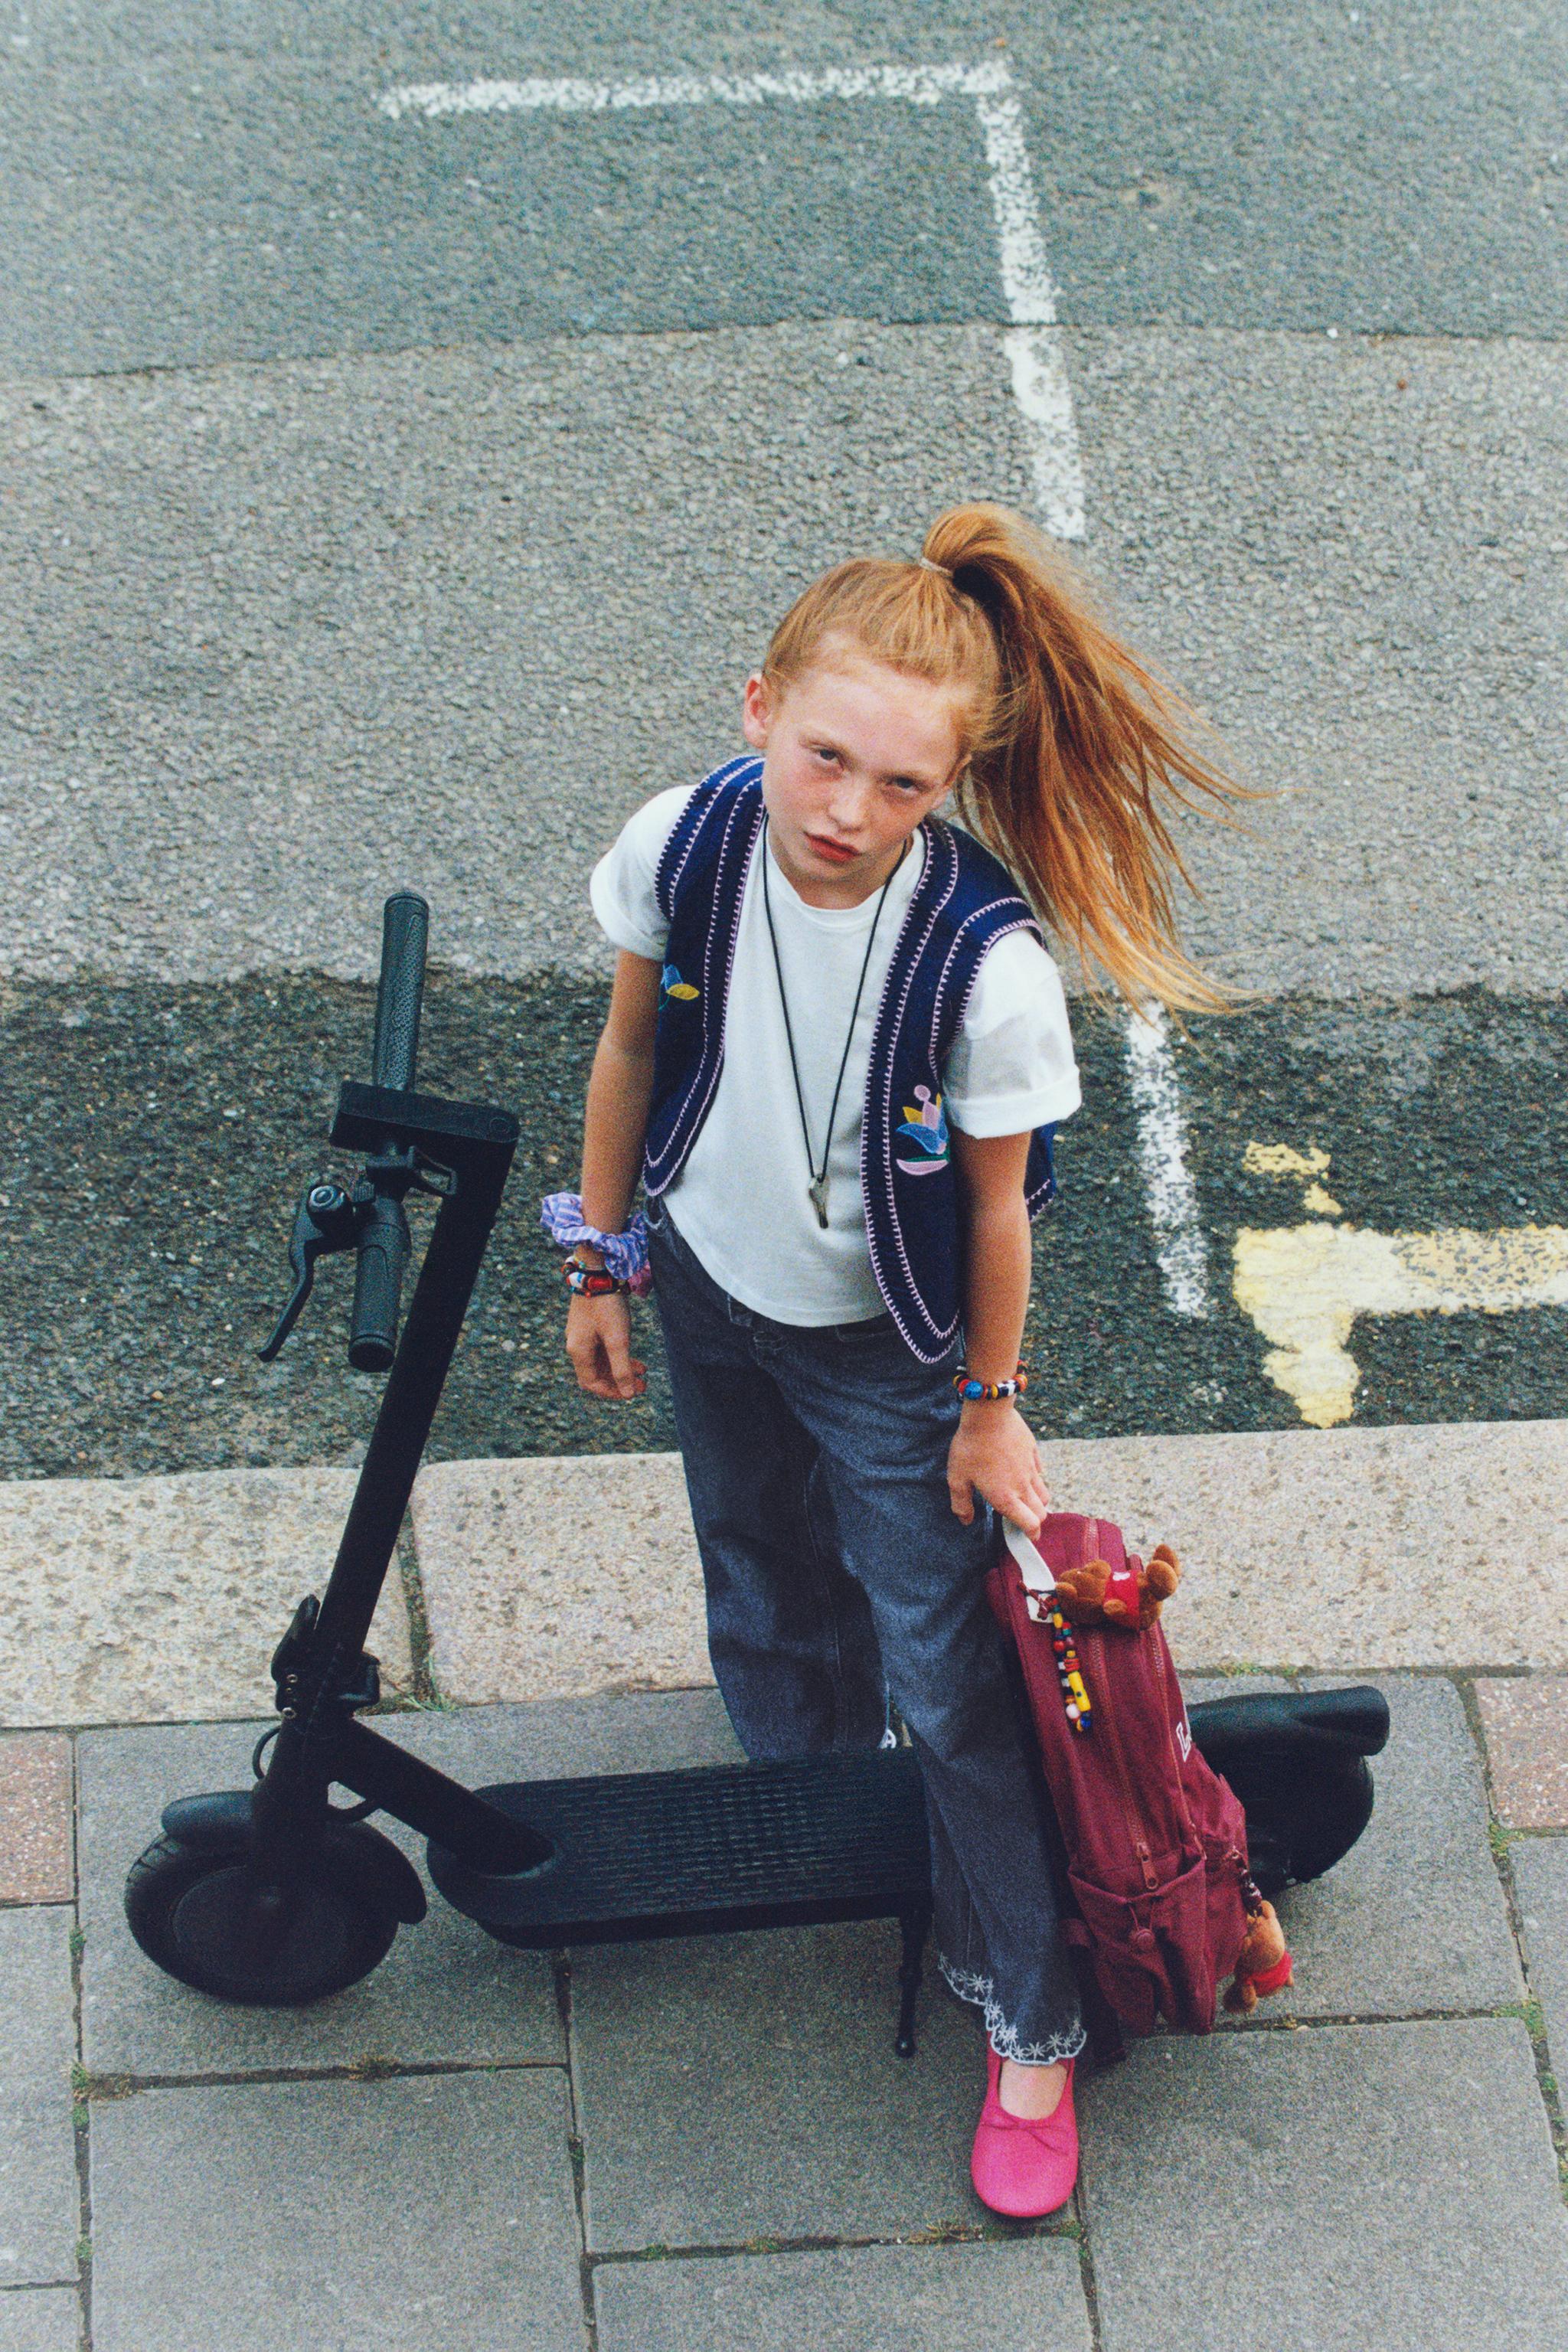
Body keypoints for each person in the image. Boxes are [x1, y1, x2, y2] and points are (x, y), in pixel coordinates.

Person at [544, 501, 1240, 2217]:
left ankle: (1031, 2017)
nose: (847, 812)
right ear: (759, 704)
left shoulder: (984, 966)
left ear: (950, 787)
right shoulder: (685, 842)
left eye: (902, 786)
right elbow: (634, 1044)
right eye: (825, 755)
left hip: (888, 1346)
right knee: (757, 1566)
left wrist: (987, 1409)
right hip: (709, 1282)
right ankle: (809, 1806)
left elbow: (997, 1218)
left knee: (958, 1687)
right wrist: (606, 1257)